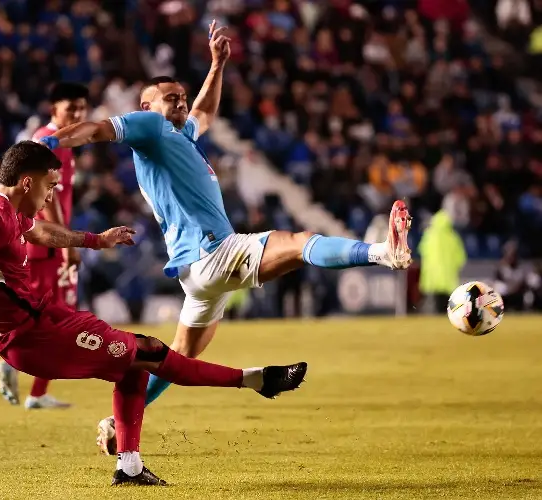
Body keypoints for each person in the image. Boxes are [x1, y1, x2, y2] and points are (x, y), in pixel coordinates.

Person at [34, 21, 413, 454]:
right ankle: (384, 253)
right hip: (214, 251)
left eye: (182, 96)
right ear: (145, 104)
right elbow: (97, 129)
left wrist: (217, 64)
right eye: (170, 98)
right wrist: (51, 142)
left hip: (197, 269)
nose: (180, 103)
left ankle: (116, 425)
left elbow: (205, 113)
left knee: (177, 356)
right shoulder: (147, 126)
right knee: (298, 240)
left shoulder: (179, 135)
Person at [0, 141, 308, 486]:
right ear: (26, 181)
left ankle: (129, 467)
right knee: (148, 350)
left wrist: (93, 240)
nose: (52, 195)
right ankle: (257, 379)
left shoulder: (9, 209)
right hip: (27, 338)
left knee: (132, 366)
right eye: (50, 185)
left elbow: (38, 231)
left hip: (43, 318)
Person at [0, 83, 89, 410]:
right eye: (70, 108)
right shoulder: (48, 143)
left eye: (81, 108)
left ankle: (36, 390)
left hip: (42, 241)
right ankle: (12, 364)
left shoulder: (60, 141)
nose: (77, 114)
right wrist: (66, 243)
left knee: (53, 315)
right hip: (45, 244)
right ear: (54, 110)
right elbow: (46, 199)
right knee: (55, 315)